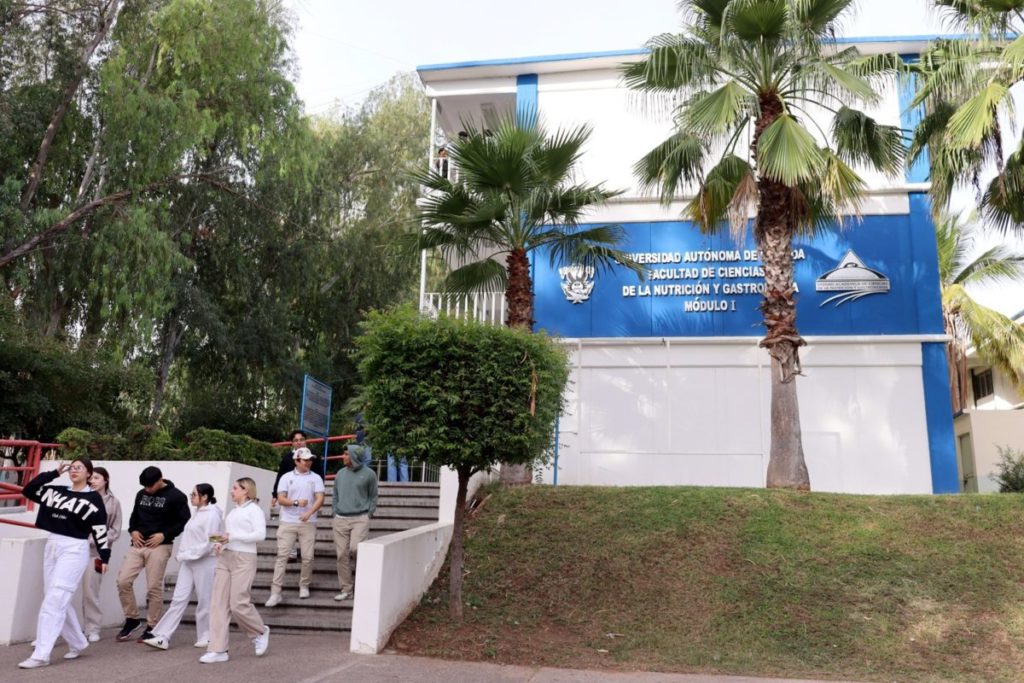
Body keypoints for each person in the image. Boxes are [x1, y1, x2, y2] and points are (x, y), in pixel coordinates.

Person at [18, 459, 110, 669]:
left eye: (79, 468)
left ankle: (42, 654)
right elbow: (28, 489)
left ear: (89, 473)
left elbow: (100, 529)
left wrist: (104, 557)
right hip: (52, 545)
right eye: (72, 467)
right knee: (54, 596)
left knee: (55, 599)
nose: (74, 470)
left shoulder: (93, 499)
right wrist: (54, 473)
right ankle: (77, 641)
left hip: (74, 549)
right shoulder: (56, 491)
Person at [142, 483, 224, 651]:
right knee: (178, 599)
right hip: (188, 561)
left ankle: (206, 635)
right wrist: (185, 555)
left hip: (205, 562)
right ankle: (163, 636)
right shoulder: (197, 513)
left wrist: (189, 554)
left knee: (205, 599)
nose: (191, 497)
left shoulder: (213, 515)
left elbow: (212, 541)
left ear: (205, 497)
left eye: (194, 494)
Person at [115, 466, 191, 643]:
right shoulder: (141, 494)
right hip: (137, 544)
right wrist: (133, 531)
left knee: (153, 587)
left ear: (160, 480)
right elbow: (134, 515)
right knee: (123, 581)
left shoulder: (176, 496)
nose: (147, 489)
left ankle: (153, 626)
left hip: (160, 546)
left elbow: (184, 521)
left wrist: (164, 535)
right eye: (145, 487)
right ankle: (132, 619)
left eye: (150, 486)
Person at [200, 477, 270, 664]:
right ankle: (218, 650)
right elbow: (229, 536)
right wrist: (220, 544)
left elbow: (260, 535)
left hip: (244, 558)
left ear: (246, 490)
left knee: (238, 602)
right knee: (218, 604)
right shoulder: (233, 512)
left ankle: (260, 631)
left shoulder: (254, 510)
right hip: (226, 556)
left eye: (235, 488)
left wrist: (231, 537)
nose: (232, 491)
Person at [266, 447, 324, 606]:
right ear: (297, 461)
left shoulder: (316, 478)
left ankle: (304, 585)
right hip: (288, 521)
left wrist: (309, 512)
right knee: (282, 557)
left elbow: (320, 498)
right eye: (305, 460)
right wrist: (296, 503)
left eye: (310, 459)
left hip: (308, 523)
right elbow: (281, 499)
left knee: (308, 557)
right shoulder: (286, 477)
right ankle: (275, 592)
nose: (309, 462)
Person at [79, 467, 122, 643]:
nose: (93, 481)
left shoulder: (113, 503)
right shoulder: (81, 497)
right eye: (91, 478)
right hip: (75, 549)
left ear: (106, 479)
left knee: (91, 591)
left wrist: (97, 539)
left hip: (96, 553)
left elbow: (115, 530)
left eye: (97, 478)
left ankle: (92, 628)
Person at [331, 444, 377, 602]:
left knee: (356, 549)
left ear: (354, 456)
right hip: (340, 519)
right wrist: (335, 511)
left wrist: (369, 514)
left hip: (360, 518)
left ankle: (363, 585)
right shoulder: (340, 474)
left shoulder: (369, 474)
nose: (343, 457)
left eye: (346, 454)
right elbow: (335, 494)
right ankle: (346, 589)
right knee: (341, 555)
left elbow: (373, 496)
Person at [271, 430, 307, 562]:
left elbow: (319, 476)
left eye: (301, 439)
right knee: (285, 525)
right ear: (292, 443)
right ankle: (291, 553)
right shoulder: (287, 458)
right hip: (288, 498)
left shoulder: (312, 457)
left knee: (305, 527)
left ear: (305, 441)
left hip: (307, 499)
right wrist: (275, 494)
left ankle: (305, 552)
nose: (299, 442)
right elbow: (280, 476)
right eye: (296, 440)